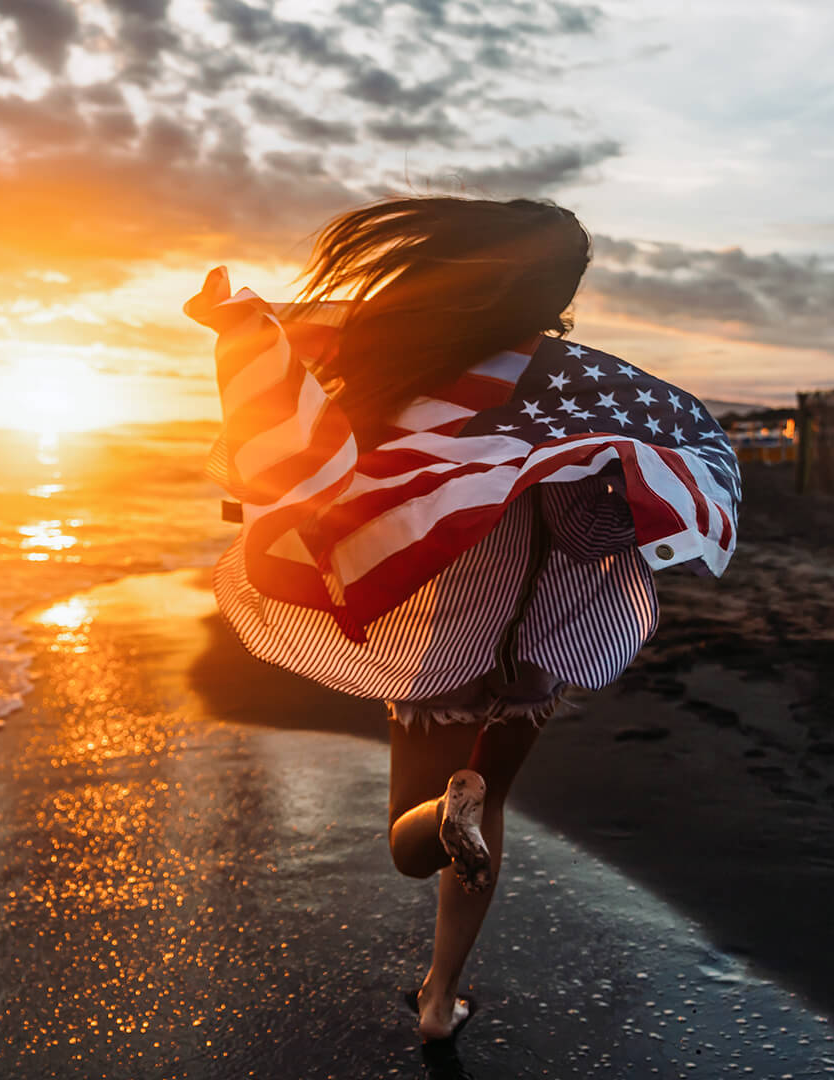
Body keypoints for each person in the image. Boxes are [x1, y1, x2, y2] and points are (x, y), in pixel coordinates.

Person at [185, 196, 741, 1043]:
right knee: (492, 813)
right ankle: (441, 1000)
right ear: (559, 294)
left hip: (445, 650)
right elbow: (594, 531)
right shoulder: (588, 396)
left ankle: (449, 808)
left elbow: (335, 483)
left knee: (416, 841)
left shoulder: (411, 378)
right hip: (541, 651)